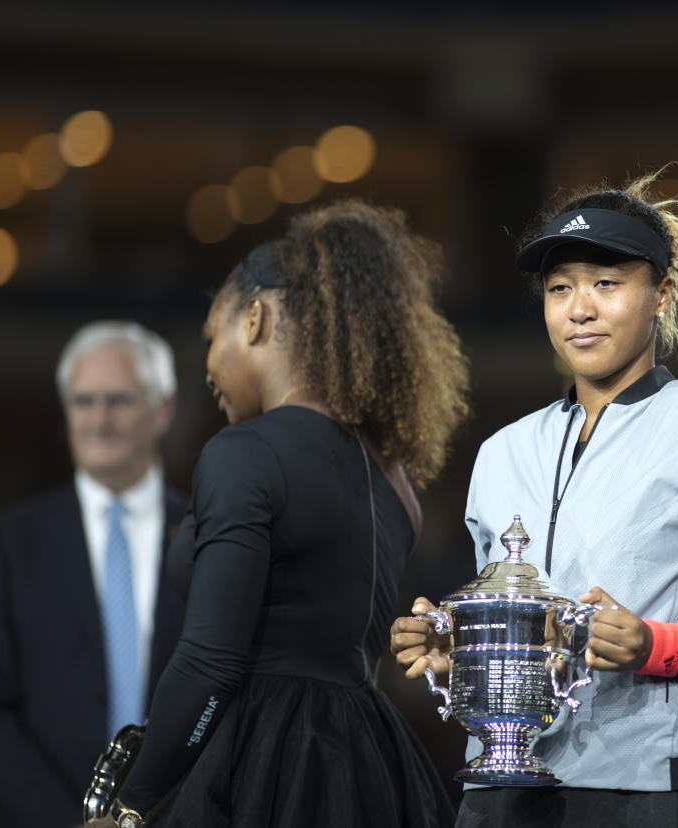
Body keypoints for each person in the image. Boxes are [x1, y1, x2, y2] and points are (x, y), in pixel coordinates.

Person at [391, 171, 678, 827]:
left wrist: (659, 643)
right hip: (499, 791)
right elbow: (514, 620)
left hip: (648, 789)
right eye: (560, 288)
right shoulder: (501, 451)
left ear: (662, 295)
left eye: (606, 284)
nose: (578, 308)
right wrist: (461, 651)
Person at [93, 200, 470, 828]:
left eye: (212, 337)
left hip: (260, 769)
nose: (208, 365)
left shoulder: (245, 452)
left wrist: (132, 806)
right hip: (375, 767)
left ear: (255, 316)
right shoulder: (395, 482)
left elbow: (211, 663)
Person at [0, 321, 188, 828]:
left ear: (163, 408)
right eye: (83, 402)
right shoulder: (10, 542)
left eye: (119, 401)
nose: (98, 420)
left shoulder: (208, 535)